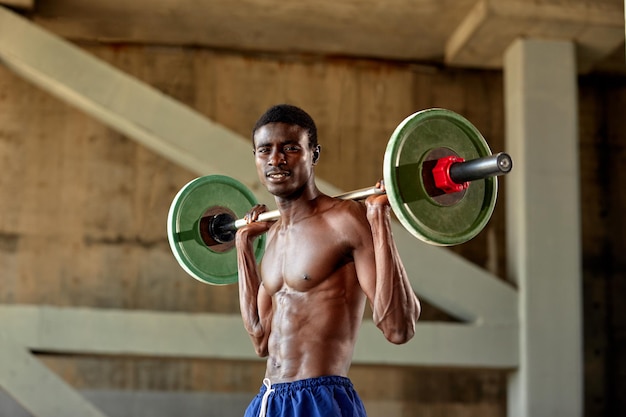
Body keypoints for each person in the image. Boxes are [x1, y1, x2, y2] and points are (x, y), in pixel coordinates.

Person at [235, 104, 420, 417]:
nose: (276, 159)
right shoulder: (274, 236)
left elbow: (398, 328)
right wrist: (243, 247)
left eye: (291, 148)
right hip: (268, 401)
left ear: (314, 154)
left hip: (319, 399)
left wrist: (378, 219)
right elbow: (260, 340)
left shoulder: (343, 220)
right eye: (265, 150)